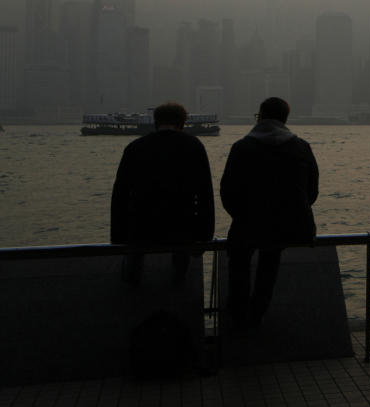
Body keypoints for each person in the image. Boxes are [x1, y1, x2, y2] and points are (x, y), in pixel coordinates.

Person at [221, 97, 319, 327]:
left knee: (239, 268)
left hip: (247, 223)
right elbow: (311, 191)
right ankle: (257, 316)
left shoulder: (242, 147)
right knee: (269, 270)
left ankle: (238, 318)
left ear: (261, 116)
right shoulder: (301, 147)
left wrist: (241, 215)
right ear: (285, 118)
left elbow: (227, 191)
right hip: (285, 226)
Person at [111, 102, 215, 285]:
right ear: (183, 123)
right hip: (181, 226)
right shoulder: (193, 146)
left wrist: (118, 237)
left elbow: (120, 195)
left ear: (155, 122)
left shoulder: (136, 147)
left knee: (134, 278)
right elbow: (205, 194)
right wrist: (204, 235)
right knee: (179, 282)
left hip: (140, 227)